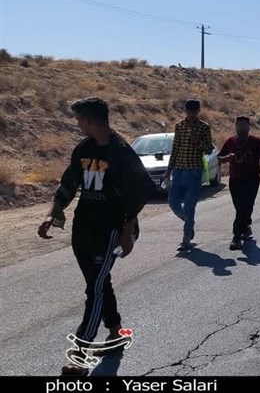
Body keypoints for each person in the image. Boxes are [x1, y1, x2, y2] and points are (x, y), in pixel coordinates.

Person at [38, 98, 154, 376]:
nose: (77, 124)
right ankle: (115, 331)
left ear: (90, 120)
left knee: (96, 288)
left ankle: (79, 354)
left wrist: (127, 232)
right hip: (84, 227)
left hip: (111, 230)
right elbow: (68, 183)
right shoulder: (84, 148)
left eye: (79, 119)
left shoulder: (121, 152)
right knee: (97, 282)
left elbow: (140, 193)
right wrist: (51, 213)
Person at [164, 99, 215, 251]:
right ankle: (189, 222)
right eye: (189, 111)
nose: (191, 114)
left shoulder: (204, 127)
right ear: (185, 111)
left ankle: (186, 238)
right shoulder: (179, 126)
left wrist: (197, 141)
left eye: (194, 111)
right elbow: (175, 149)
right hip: (178, 171)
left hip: (194, 172)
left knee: (189, 205)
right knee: (173, 203)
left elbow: (208, 150)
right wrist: (168, 171)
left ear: (198, 111)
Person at [218, 116, 260, 250]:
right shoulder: (230, 142)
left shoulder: (257, 142)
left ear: (249, 127)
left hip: (252, 179)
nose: (242, 128)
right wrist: (226, 158)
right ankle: (246, 226)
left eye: (245, 125)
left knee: (247, 206)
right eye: (239, 125)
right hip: (235, 179)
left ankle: (236, 236)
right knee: (239, 207)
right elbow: (218, 158)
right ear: (235, 127)